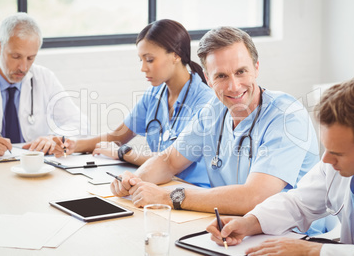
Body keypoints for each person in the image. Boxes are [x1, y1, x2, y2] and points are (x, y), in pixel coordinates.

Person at [109, 26, 320, 217]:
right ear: (208, 79)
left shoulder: (286, 116)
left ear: (256, 68)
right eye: (221, 76)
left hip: (296, 234)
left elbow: (254, 197)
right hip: (234, 225)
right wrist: (135, 181)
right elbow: (169, 160)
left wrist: (167, 197)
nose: (234, 86)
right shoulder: (212, 111)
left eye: (241, 72)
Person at [207, 77, 354, 255]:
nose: (326, 160)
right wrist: (250, 223)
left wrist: (315, 251)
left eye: (338, 153)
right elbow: (298, 203)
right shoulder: (337, 166)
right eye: (327, 149)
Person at [53, 19, 214, 188]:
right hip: (160, 184)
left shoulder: (204, 101)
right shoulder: (154, 95)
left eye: (150, 60)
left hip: (191, 189)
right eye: (141, 60)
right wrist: (74, 145)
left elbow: (171, 160)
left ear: (175, 55)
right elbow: (117, 136)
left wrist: (123, 153)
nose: (143, 68)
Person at [0, 12, 87, 158]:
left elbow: (78, 122)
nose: (24, 67)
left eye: (31, 58)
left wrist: (55, 138)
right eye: (16, 56)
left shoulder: (44, 78)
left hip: (34, 167)